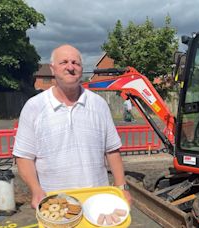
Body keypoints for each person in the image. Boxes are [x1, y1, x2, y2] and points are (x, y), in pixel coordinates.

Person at [13, 44, 131, 209]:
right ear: (53, 69)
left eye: (75, 63)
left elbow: (112, 150)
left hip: (97, 202)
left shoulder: (99, 104)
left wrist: (121, 187)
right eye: (64, 62)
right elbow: (24, 156)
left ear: (81, 69)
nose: (70, 67)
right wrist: (36, 190)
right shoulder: (34, 107)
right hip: (55, 204)